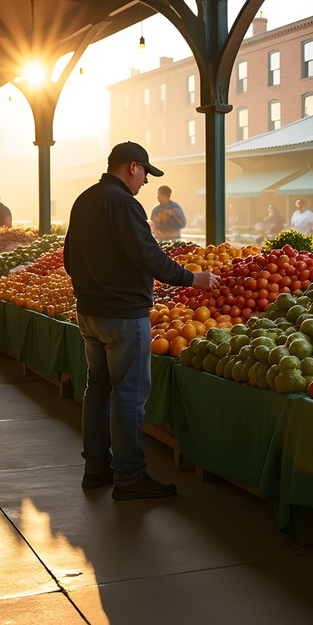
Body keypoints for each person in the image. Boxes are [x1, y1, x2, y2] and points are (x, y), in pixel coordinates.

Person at [64, 141, 219, 500]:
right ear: (133, 166)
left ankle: (95, 469)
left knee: (98, 390)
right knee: (129, 396)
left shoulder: (84, 199)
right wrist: (192, 278)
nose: (146, 182)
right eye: (146, 173)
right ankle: (130, 477)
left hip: (88, 313)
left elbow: (70, 260)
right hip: (123, 315)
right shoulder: (124, 203)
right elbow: (148, 254)